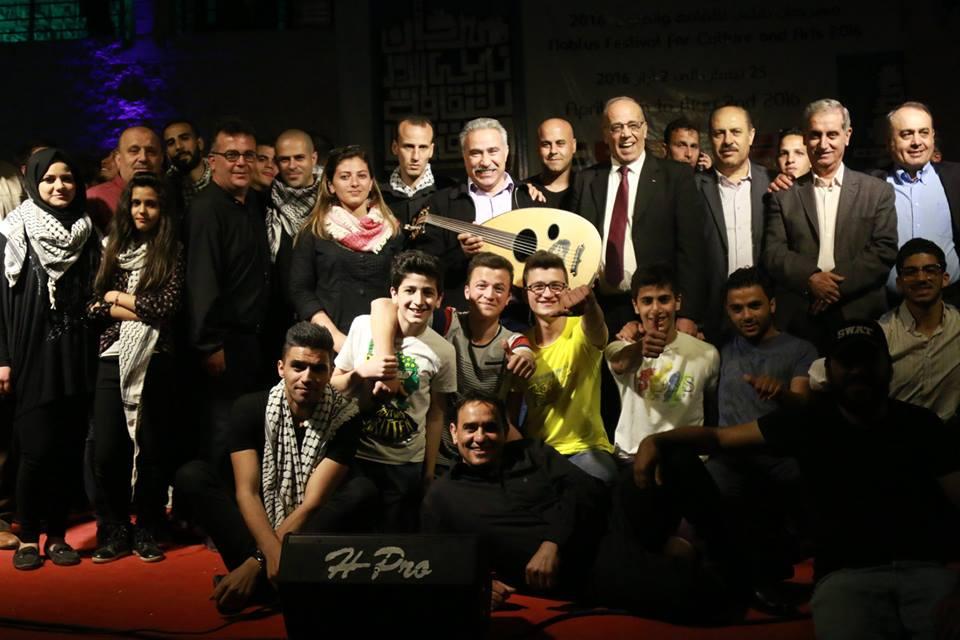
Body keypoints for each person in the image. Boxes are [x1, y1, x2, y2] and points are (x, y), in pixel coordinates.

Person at [635, 319, 960, 639]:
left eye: (867, 361)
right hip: (846, 578)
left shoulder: (921, 425)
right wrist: (657, 440)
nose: (857, 371)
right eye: (847, 362)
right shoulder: (812, 422)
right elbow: (720, 438)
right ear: (829, 369)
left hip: (926, 573)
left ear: (887, 366)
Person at [422, 391, 747, 623]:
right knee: (707, 600)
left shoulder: (531, 451)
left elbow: (585, 487)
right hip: (586, 566)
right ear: (454, 433)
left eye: (490, 427)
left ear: (505, 430)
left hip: (612, 517)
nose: (480, 437)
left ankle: (732, 560)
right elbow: (432, 560)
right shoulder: (443, 496)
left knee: (674, 457)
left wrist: (552, 541)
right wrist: (476, 585)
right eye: (471, 428)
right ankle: (671, 557)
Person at [175, 322, 376, 613]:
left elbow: (312, 503)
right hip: (257, 525)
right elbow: (248, 492)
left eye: (318, 369)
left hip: (307, 527)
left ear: (330, 372)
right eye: (298, 366)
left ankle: (256, 584)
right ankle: (284, 583)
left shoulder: (345, 418)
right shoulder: (249, 409)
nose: (307, 377)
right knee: (192, 475)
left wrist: (253, 563)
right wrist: (266, 553)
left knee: (362, 490)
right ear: (281, 368)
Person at [0, 149, 101, 570]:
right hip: (31, 352)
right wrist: (3, 358)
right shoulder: (14, 229)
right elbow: (0, 302)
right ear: (34, 184)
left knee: (67, 449)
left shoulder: (87, 231)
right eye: (50, 180)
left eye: (67, 179)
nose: (60, 186)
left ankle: (57, 536)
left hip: (76, 353)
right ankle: (27, 536)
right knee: (35, 451)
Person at [87, 174, 185, 563]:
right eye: (136, 203)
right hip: (111, 356)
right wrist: (132, 304)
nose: (142, 211)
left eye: (151, 204)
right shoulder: (111, 249)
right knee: (108, 450)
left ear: (162, 210)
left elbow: (166, 306)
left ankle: (147, 527)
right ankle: (114, 529)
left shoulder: (172, 251)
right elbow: (92, 307)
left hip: (155, 356)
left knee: (152, 449)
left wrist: (117, 297)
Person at [369, 252, 537, 473]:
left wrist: (525, 357)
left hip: (484, 449)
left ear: (508, 298)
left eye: (499, 288)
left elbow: (523, 349)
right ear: (467, 291)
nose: (489, 295)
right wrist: (387, 367)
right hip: (441, 451)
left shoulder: (511, 339)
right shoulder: (448, 321)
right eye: (482, 286)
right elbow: (382, 305)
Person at [331, 250, 456, 531]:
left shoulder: (444, 351)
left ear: (439, 299)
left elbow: (436, 414)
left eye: (428, 292)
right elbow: (333, 386)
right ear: (394, 293)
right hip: (355, 455)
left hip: (405, 464)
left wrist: (428, 471)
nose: (418, 300)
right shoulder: (363, 326)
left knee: (394, 541)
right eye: (410, 290)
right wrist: (360, 373)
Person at [763, 98, 898, 350]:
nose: (823, 144)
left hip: (860, 312)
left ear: (847, 135)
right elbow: (773, 253)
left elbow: (884, 250)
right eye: (815, 135)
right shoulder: (783, 195)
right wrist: (811, 279)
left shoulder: (877, 191)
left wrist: (831, 288)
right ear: (805, 138)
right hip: (800, 318)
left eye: (832, 134)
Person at [572, 97, 707, 336]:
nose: (626, 134)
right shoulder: (586, 180)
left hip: (656, 311)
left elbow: (692, 251)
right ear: (605, 134)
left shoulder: (675, 177)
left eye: (633, 125)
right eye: (617, 127)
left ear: (645, 129)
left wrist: (687, 314)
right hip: (599, 310)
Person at [185, 118, 271, 470]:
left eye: (249, 155)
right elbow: (201, 279)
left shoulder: (254, 203)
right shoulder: (206, 209)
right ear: (212, 161)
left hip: (254, 341)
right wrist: (210, 345)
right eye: (232, 155)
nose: (241, 163)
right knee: (223, 433)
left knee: (249, 431)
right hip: (224, 344)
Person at [809, 238, 960, 422]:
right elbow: (816, 378)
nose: (921, 278)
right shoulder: (881, 334)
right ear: (899, 283)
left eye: (930, 270)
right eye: (911, 272)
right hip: (892, 432)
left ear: (945, 278)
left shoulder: (957, 327)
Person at [289, 145, 406, 352]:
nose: (354, 183)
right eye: (344, 177)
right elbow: (301, 291)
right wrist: (336, 339)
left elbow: (401, 288)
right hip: (330, 344)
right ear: (330, 185)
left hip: (384, 343)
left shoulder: (392, 231)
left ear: (371, 183)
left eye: (362, 176)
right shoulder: (315, 232)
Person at [415, 117, 541, 305]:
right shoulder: (440, 203)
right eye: (476, 153)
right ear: (464, 156)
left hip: (521, 312)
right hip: (464, 313)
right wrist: (460, 253)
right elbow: (423, 269)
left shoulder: (531, 199)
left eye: (493, 151)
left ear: (506, 152)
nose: (485, 161)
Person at [518, 250, 616, 483]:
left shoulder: (581, 327)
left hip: (585, 450)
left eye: (556, 286)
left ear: (567, 289)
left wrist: (590, 305)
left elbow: (597, 328)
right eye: (538, 287)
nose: (547, 293)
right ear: (525, 294)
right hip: (539, 453)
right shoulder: (521, 345)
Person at [604, 264, 719, 460]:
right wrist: (641, 348)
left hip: (688, 461)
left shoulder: (707, 354)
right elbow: (620, 364)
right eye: (647, 301)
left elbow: (711, 405)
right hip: (632, 458)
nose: (656, 309)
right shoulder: (619, 348)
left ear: (677, 301)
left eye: (663, 299)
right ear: (635, 305)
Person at [696, 105, 772, 343]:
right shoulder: (691, 188)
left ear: (751, 135)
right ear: (710, 138)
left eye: (736, 132)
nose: (728, 140)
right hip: (711, 318)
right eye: (719, 133)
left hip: (767, 317)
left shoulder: (774, 184)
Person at [875, 102, 960, 307]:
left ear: (933, 137)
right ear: (889, 142)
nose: (917, 142)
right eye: (906, 134)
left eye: (924, 133)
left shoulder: (956, 178)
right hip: (890, 307)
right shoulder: (871, 184)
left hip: (954, 302)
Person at [381, 116, 456, 224]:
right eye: (408, 147)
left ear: (431, 150)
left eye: (423, 147)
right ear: (395, 147)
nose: (415, 157)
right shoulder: (377, 194)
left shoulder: (451, 191)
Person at [87, 126, 164, 231]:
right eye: (134, 151)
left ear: (161, 159)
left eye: (151, 152)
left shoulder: (172, 197)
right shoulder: (95, 198)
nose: (143, 158)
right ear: (118, 159)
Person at [524, 118, 578, 211]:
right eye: (546, 144)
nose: (553, 151)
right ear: (537, 148)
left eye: (560, 143)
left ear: (573, 146)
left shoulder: (588, 191)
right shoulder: (523, 192)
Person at [162, 119, 211, 209]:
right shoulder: (166, 185)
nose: (178, 146)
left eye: (184, 138)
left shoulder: (221, 175)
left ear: (200, 143)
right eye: (171, 143)